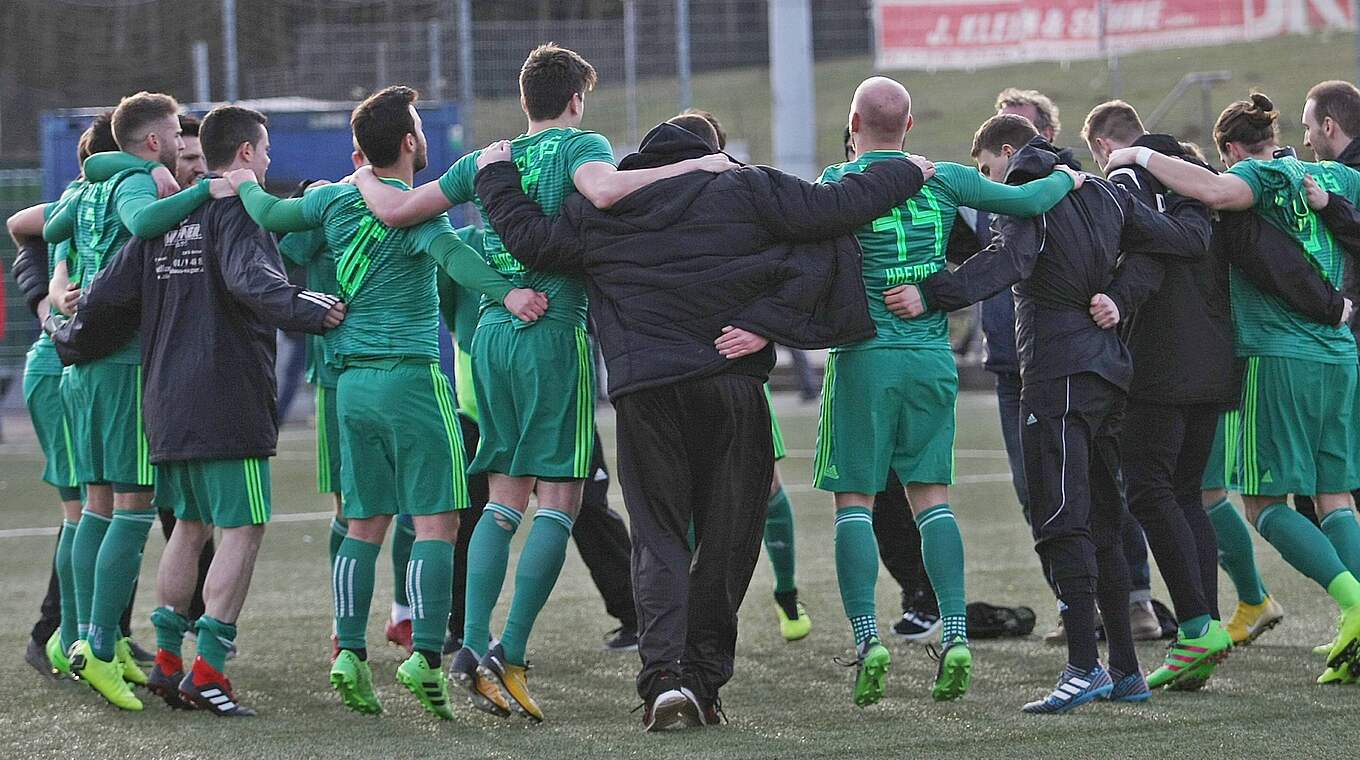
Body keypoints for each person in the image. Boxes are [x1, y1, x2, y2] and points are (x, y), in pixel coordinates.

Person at [474, 113, 931, 729]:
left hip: (646, 393)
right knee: (728, 539)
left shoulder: (600, 209)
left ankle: (662, 678)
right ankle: (704, 681)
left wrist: (498, 174)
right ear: (711, 151)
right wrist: (907, 171)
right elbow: (837, 212)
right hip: (730, 386)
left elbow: (531, 242)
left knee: (659, 536)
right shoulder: (745, 186)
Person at [346, 46, 730, 723]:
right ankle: (510, 654)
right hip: (553, 332)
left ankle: (470, 647)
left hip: (490, 340)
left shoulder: (484, 160)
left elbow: (396, 213)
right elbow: (608, 191)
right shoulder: (581, 144)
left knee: (501, 498)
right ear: (576, 100)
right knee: (561, 499)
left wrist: (363, 183)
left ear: (525, 100)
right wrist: (698, 163)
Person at [224, 85, 548, 720]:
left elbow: (271, 219)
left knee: (362, 523)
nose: (424, 137)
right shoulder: (415, 208)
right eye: (420, 127)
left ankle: (348, 651)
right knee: (437, 523)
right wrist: (511, 294)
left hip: (350, 386)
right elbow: (455, 258)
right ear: (407, 142)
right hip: (410, 380)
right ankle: (425, 658)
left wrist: (240, 183)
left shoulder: (332, 198)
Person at [897, 113, 1211, 712]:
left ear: (1008, 154)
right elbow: (1179, 245)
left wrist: (932, 293)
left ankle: (1083, 666)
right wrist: (1122, 293)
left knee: (1062, 517)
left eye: (991, 173)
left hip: (1056, 372)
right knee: (1107, 520)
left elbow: (1008, 262)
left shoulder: (1028, 194)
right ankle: (1124, 669)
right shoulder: (1104, 191)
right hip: (1108, 373)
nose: (994, 192)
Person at [50, 104, 346, 715]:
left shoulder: (163, 223)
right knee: (242, 527)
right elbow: (250, 281)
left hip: (162, 398)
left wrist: (64, 333)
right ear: (243, 154)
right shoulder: (236, 208)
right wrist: (313, 309)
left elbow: (104, 293)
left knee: (188, 527)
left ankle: (165, 660)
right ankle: (209, 670)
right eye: (262, 151)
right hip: (224, 396)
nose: (266, 162)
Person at [816, 77, 1079, 707]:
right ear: (908, 126)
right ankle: (956, 635)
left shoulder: (836, 185)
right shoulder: (944, 178)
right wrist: (1070, 177)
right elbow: (1027, 202)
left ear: (854, 123)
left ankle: (867, 642)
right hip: (931, 359)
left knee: (854, 503)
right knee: (931, 500)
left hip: (863, 358)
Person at [1104, 92, 1360, 684]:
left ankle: (1352, 603)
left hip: (1277, 355)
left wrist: (1138, 158)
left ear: (1231, 150)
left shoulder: (1253, 176)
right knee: (1335, 497)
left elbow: (1219, 195)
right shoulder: (1335, 174)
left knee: (1264, 507)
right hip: (1340, 354)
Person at [41, 91, 229, 708]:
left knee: (94, 508)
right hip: (121, 365)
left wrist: (64, 273)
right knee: (132, 506)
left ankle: (81, 640)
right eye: (176, 133)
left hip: (87, 367)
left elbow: (49, 226)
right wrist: (206, 191)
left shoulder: (95, 183)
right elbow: (147, 224)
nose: (182, 144)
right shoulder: (137, 183)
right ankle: (97, 646)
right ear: (154, 140)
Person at [1081, 100, 1237, 690]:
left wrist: (1116, 198)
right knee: (1185, 494)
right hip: (1213, 363)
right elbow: (1194, 244)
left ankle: (1197, 626)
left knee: (1148, 491)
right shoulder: (1198, 193)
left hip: (1161, 366)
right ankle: (1205, 630)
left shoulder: (1134, 188)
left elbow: (1162, 245)